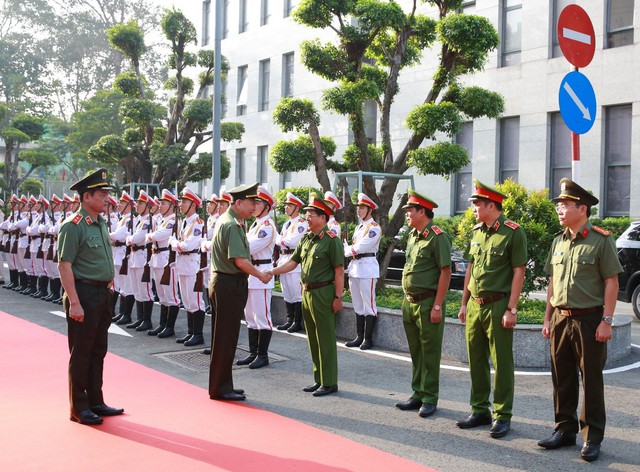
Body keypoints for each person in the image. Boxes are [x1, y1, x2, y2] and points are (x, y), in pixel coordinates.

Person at [537, 178, 622, 462]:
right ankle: (564, 430)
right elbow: (552, 281)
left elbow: (611, 281)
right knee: (561, 377)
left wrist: (606, 320)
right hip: (561, 317)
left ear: (582, 209)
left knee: (592, 379)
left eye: (565, 205)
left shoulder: (600, 240)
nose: (560, 210)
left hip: (590, 319)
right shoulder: (557, 241)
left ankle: (592, 437)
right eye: (559, 205)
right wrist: (548, 317)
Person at [456, 179, 527, 439]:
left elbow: (519, 271)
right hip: (475, 304)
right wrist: (464, 303)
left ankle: (502, 415)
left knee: (502, 363)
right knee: (475, 360)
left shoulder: (512, 231)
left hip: (498, 305)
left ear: (491, 205)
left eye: (477, 204)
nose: (474, 208)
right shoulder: (477, 231)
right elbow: (471, 270)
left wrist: (512, 308)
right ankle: (479, 410)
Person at [57, 168, 123, 425]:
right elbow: (65, 265)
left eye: (107, 193)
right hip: (83, 293)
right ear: (87, 197)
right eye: (102, 194)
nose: (107, 198)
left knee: (98, 350)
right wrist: (74, 301)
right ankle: (79, 407)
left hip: (102, 293)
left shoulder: (101, 222)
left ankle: (96, 400)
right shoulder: (72, 226)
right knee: (81, 352)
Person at [269, 195, 344, 397]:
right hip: (308, 292)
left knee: (325, 338)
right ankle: (318, 379)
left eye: (311, 215)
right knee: (312, 337)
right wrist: (271, 272)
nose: (307, 218)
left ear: (323, 217)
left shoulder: (331, 241)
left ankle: (329, 382)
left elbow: (339, 271)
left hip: (324, 293)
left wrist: (338, 297)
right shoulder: (306, 239)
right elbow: (292, 263)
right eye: (307, 214)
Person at [208, 182, 271, 401]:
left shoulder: (231, 221)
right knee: (226, 338)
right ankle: (220, 387)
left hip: (225, 283)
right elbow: (240, 261)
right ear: (238, 202)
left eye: (256, 203)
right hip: (229, 284)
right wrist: (260, 275)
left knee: (224, 338)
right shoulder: (232, 225)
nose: (254, 206)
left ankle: (222, 384)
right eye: (251, 202)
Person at [395, 189, 451, 419]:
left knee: (430, 352)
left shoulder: (437, 237)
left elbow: (445, 272)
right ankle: (417, 392)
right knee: (416, 351)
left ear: (422, 211)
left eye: (410, 210)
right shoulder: (413, 236)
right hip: (410, 302)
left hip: (428, 303)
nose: (407, 214)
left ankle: (430, 397)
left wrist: (438, 305)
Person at [236, 186, 277, 369]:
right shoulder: (255, 224)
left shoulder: (267, 227)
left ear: (267, 206)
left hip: (262, 274)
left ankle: (263, 355)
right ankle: (253, 353)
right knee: (250, 317)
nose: (253, 206)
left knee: (262, 317)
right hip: (251, 273)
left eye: (257, 203)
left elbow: (248, 248)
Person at [343, 193, 381, 350]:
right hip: (355, 268)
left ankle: (368, 338)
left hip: (367, 268)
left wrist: (347, 249)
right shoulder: (359, 227)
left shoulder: (374, 228)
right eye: (358, 207)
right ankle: (359, 336)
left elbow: (360, 248)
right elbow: (353, 249)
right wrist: (348, 249)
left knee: (369, 305)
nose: (359, 210)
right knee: (358, 305)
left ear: (370, 210)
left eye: (362, 208)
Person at [170, 187, 206, 347]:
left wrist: (174, 243)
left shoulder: (198, 223)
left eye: (184, 202)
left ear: (193, 204)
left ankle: (198, 335)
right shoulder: (184, 222)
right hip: (182, 263)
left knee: (195, 301)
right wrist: (178, 245)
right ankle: (191, 332)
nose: (181, 205)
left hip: (192, 264)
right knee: (186, 300)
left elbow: (188, 245)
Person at [146, 189, 181, 338]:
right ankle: (162, 324)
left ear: (172, 206)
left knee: (171, 295)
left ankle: (169, 326)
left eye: (164, 203)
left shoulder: (173, 221)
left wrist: (150, 236)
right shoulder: (162, 220)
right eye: (160, 203)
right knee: (161, 294)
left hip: (167, 258)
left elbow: (159, 235)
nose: (160, 205)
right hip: (157, 258)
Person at [274, 192, 308, 332]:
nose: (286, 208)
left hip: (294, 260)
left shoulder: (301, 224)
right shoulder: (287, 224)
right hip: (283, 259)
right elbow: (281, 242)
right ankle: (289, 319)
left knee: (296, 293)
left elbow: (292, 242)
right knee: (286, 292)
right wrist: (282, 241)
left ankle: (297, 322)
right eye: (286, 205)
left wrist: (280, 240)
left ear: (297, 208)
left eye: (290, 205)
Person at [125, 190, 155, 331]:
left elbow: (136, 238)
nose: (137, 205)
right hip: (134, 256)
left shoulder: (148, 221)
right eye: (137, 202)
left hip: (143, 256)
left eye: (141, 203)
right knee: (136, 289)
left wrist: (128, 239)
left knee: (145, 290)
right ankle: (140, 318)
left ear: (148, 206)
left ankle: (147, 320)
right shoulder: (139, 220)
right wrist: (129, 239)